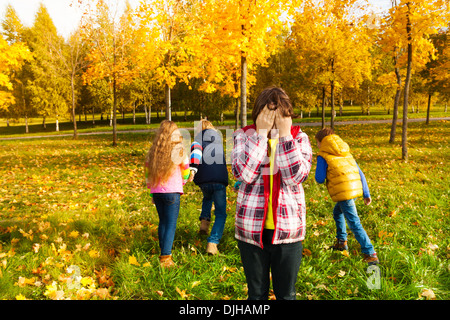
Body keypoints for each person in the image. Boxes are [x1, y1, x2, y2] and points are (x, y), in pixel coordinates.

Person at [231, 86, 312, 300]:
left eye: (278, 113)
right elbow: (244, 174)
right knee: (256, 294)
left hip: (288, 231)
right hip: (251, 230)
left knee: (286, 294)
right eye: (267, 113)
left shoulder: (299, 138)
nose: (272, 119)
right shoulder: (243, 136)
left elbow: (296, 177)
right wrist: (260, 135)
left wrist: (285, 136)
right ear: (258, 114)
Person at [314, 127, 379, 265]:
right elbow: (359, 172)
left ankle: (370, 253)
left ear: (322, 142)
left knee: (354, 223)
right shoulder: (345, 151)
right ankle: (341, 242)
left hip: (344, 192)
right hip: (354, 190)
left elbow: (319, 178)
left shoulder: (323, 155)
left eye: (317, 143)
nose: (318, 146)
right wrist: (366, 193)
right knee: (337, 212)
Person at [145, 120, 191, 268]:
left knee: (163, 222)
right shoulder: (178, 150)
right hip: (172, 191)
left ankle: (163, 252)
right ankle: (166, 258)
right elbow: (186, 170)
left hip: (157, 192)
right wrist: (183, 182)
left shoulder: (153, 152)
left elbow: (148, 174)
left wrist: (152, 193)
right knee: (170, 224)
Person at [189, 119, 229, 255]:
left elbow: (195, 154)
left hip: (204, 180)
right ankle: (213, 242)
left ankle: (204, 222)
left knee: (207, 198)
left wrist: (193, 170)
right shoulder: (218, 140)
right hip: (219, 180)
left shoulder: (198, 139)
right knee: (220, 213)